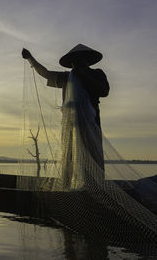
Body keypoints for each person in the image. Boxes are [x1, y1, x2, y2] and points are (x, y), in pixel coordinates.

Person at [22, 44, 110, 188]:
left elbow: (104, 91)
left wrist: (84, 75)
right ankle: (69, 186)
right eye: (75, 61)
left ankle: (96, 188)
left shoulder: (97, 74)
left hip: (91, 123)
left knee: (93, 156)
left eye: (81, 60)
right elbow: (46, 73)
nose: (77, 63)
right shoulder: (67, 77)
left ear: (87, 60)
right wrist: (30, 59)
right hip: (71, 125)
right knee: (69, 156)